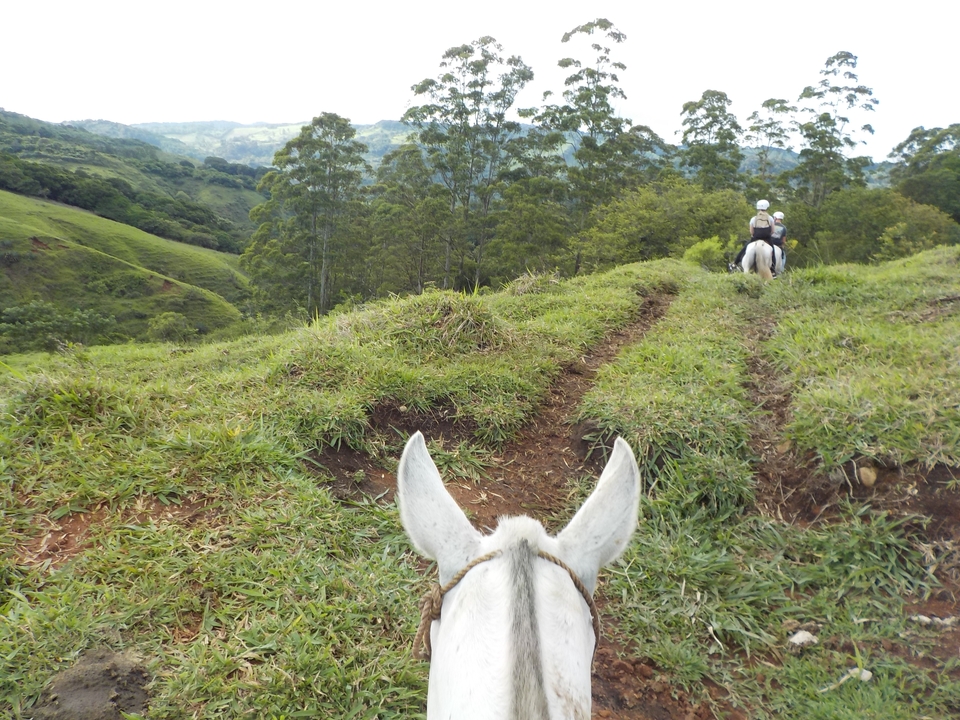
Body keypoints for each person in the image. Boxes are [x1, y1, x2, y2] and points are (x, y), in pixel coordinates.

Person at [731, 200, 776, 271]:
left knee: (745, 248)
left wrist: (754, 235)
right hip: (767, 238)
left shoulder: (753, 218)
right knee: (773, 251)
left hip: (755, 238)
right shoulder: (770, 218)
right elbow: (773, 231)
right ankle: (773, 270)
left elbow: (751, 231)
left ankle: (735, 263)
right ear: (767, 207)